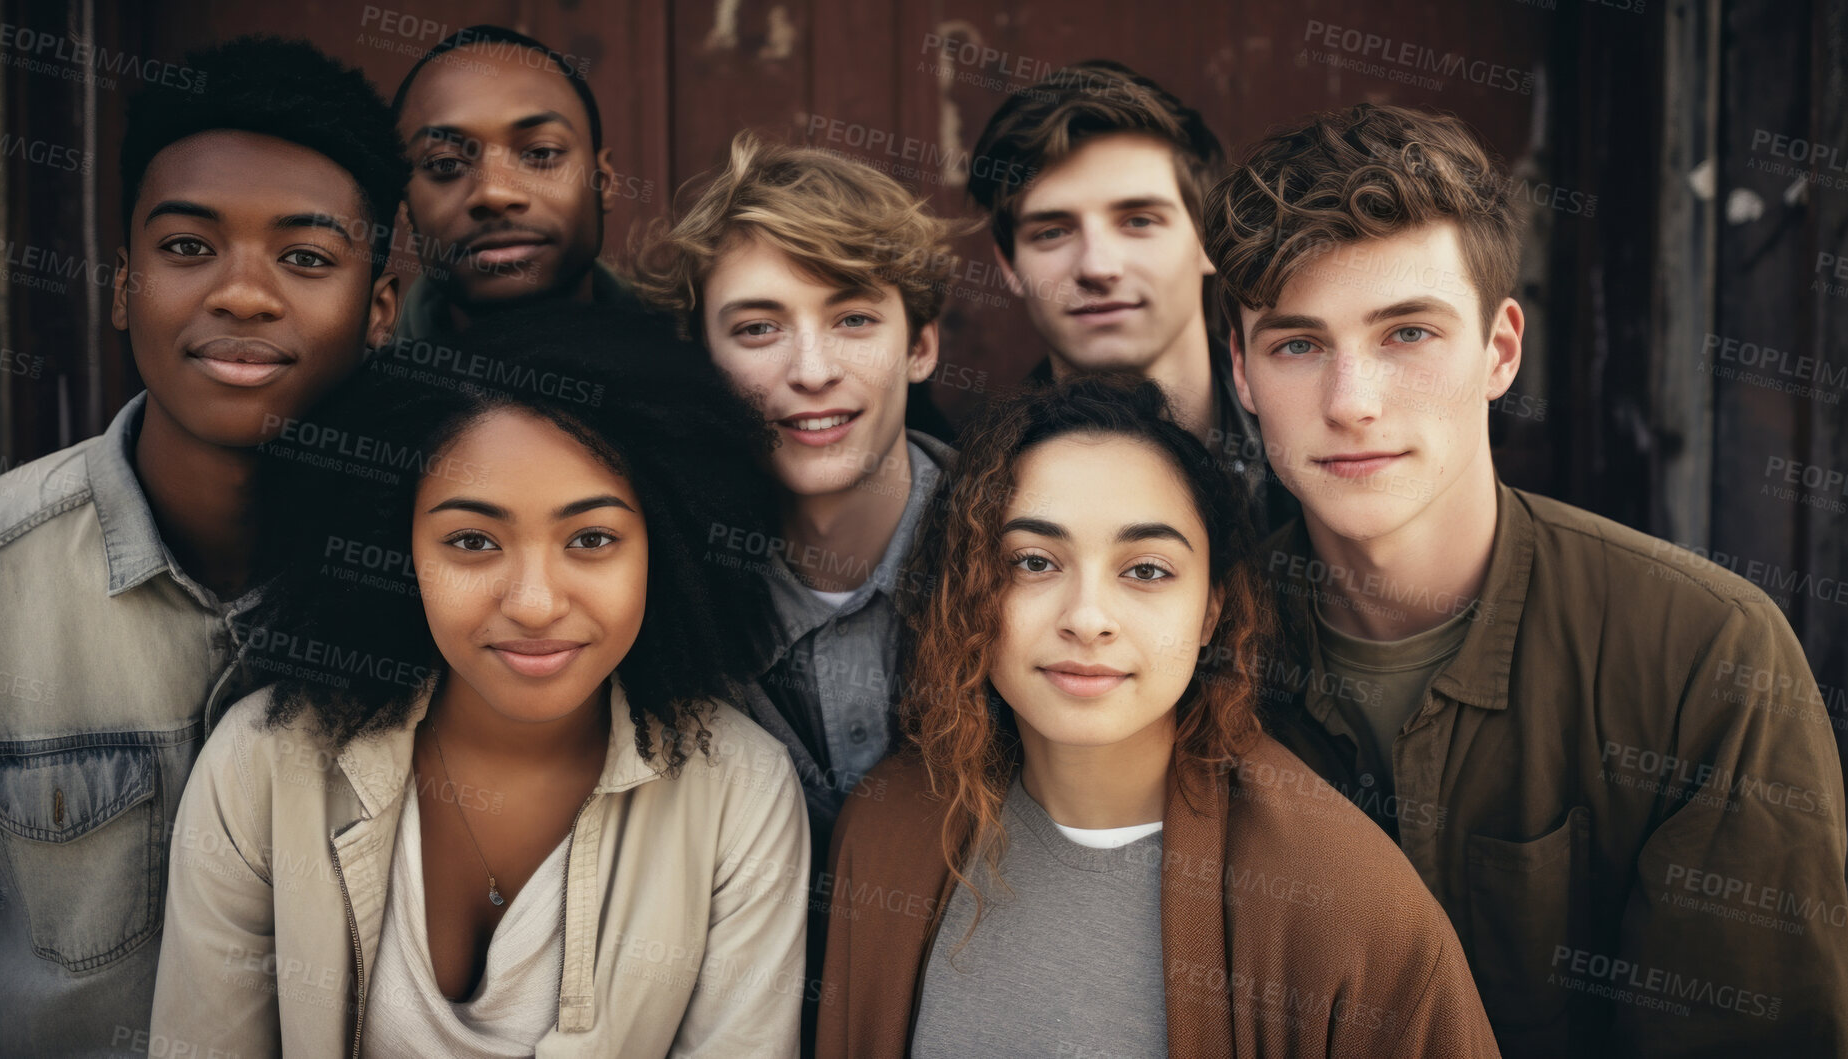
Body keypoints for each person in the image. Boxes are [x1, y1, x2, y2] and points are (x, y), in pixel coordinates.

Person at [1207, 102, 1848, 1056]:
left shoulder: (1706, 656)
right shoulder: (1184, 652)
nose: (1351, 403)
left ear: (1500, 349)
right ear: (1242, 374)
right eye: (1297, 344)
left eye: (1408, 334)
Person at [148, 307, 809, 1057]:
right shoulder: (263, 764)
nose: (533, 602)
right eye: (471, 541)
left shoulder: (741, 792)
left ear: (671, 550)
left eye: (591, 539)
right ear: (392, 547)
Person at [819, 375, 1500, 1058]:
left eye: (1145, 569)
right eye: (1032, 561)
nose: (1086, 618)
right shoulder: (887, 832)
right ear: (967, 589)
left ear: (1211, 609)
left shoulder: (1350, 904)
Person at [0, 37, 402, 1055]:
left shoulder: (446, 582)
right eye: (189, 248)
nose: (242, 295)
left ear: (378, 310)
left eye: (304, 258)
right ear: (122, 286)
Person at [635, 132, 965, 847]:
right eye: (759, 328)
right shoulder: (658, 594)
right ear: (702, 363)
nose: (812, 370)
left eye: (852, 319)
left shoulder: (1026, 556)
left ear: (919, 347)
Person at [966, 59, 1281, 525]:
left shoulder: (1308, 447)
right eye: (1052, 231)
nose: (1097, 266)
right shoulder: (971, 493)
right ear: (1009, 265)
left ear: (1209, 238)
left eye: (1138, 221)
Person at [389, 25, 640, 344]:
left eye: (541, 153)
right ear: (405, 209)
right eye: (446, 164)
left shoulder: (698, 369)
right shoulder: (350, 391)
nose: (494, 193)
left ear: (604, 183)